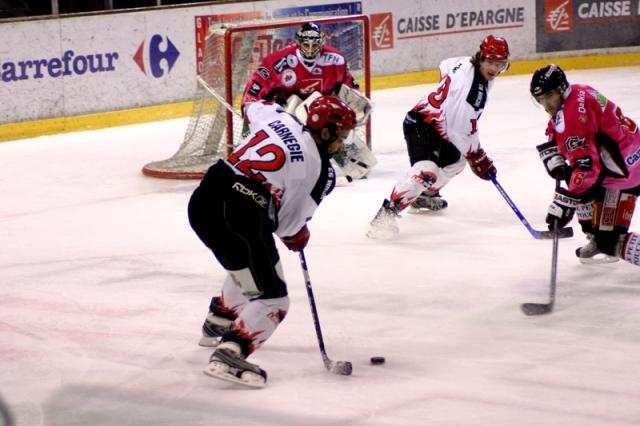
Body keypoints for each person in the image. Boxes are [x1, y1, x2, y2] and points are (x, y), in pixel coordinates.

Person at [188, 95, 357, 387]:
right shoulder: (321, 173)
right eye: (340, 136)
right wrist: (299, 234)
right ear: (326, 132)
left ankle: (219, 319)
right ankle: (230, 352)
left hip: (204, 201)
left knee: (247, 264)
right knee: (274, 301)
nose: (342, 143)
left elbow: (250, 105)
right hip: (242, 214)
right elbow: (288, 228)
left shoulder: (280, 118)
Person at [367, 35, 510, 239]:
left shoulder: (464, 63)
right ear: (481, 57)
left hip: (439, 124)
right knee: (427, 171)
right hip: (421, 123)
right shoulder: (473, 92)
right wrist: (478, 156)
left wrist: (448, 97)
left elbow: (445, 66)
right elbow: (458, 131)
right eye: (490, 62)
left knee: (458, 160)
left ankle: (424, 196)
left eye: (500, 64)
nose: (494, 69)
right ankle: (384, 217)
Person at [530, 64, 640, 267]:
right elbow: (557, 124)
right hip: (631, 155)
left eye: (549, 96)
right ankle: (595, 236)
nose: (546, 104)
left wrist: (565, 203)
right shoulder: (578, 91)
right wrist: (552, 153)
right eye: (540, 99)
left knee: (610, 241)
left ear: (561, 89)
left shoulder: (573, 117)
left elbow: (587, 170)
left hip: (624, 174)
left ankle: (602, 240)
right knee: (574, 178)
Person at [242, 22, 375, 182]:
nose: (311, 49)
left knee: (361, 165)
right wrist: (250, 115)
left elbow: (348, 88)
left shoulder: (335, 60)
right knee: (296, 104)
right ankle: (291, 156)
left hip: (322, 112)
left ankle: (340, 154)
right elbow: (255, 90)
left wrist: (356, 103)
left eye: (315, 45)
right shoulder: (279, 61)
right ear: (298, 42)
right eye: (306, 44)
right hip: (288, 113)